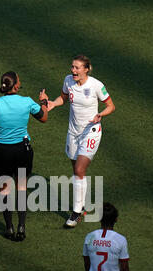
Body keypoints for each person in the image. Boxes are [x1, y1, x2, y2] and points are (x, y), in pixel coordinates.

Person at [0, 71, 49, 241]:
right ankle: (21, 226)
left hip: (3, 152)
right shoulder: (26, 102)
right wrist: (44, 101)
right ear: (16, 85)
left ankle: (8, 227)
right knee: (21, 188)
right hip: (22, 151)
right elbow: (44, 118)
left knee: (5, 190)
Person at [48, 55, 115, 228]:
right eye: (72, 67)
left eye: (77, 68)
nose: (73, 71)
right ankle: (82, 205)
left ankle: (76, 213)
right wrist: (53, 104)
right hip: (73, 132)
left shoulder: (96, 85)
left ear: (86, 69)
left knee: (79, 169)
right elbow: (63, 97)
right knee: (77, 172)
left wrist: (100, 114)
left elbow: (111, 106)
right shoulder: (68, 81)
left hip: (91, 132)